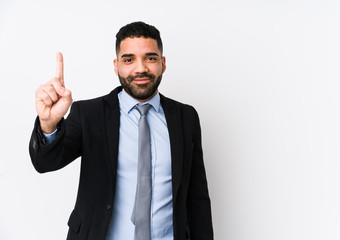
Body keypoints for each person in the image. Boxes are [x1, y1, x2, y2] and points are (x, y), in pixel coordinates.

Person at [29, 21, 213, 240]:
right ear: (116, 66)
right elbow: (45, 163)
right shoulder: (89, 114)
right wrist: (48, 124)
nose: (141, 68)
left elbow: (197, 198)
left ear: (163, 63)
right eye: (129, 59)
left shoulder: (185, 117)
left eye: (150, 58)